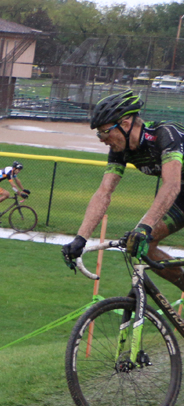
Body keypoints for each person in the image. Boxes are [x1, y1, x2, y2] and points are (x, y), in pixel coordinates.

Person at [61, 90, 184, 288]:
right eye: (98, 133)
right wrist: (80, 239)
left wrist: (145, 226)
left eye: (104, 131)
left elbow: (172, 183)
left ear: (125, 124)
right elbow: (104, 192)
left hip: (177, 188)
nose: (101, 138)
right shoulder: (121, 149)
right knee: (140, 245)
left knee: (142, 233)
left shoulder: (166, 134)